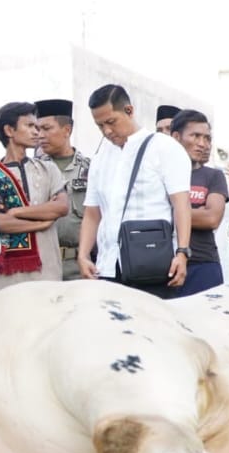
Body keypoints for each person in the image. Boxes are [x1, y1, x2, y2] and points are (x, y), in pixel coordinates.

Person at [77, 84, 192, 299]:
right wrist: (83, 255)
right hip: (107, 267)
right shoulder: (100, 157)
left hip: (152, 265)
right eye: (100, 125)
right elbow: (92, 213)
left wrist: (182, 252)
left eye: (111, 122)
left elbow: (181, 204)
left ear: (129, 111)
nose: (107, 131)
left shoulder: (163, 147)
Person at [0, 102, 68, 294]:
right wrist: (42, 222)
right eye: (29, 126)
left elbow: (61, 207)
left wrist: (17, 211)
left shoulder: (48, 168)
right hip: (3, 278)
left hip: (46, 272)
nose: (36, 132)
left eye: (37, 127)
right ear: (9, 130)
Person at [169, 109, 227, 295]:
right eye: (195, 136)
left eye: (207, 138)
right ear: (176, 137)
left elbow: (212, 218)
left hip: (203, 264)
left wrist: (171, 211)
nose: (203, 144)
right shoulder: (160, 175)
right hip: (164, 264)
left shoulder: (214, 176)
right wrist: (194, 212)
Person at [35, 98, 92, 280]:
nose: (40, 135)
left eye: (46, 128)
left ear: (67, 130)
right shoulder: (33, 170)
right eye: (37, 129)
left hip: (80, 266)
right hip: (42, 265)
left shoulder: (91, 169)